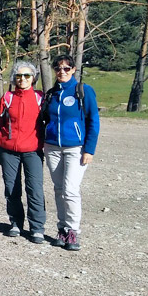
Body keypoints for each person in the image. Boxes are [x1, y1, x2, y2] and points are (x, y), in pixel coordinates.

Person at [42, 54, 99, 251]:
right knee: (59, 190)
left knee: (70, 190)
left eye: (66, 68)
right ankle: (62, 229)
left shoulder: (82, 91)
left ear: (73, 69)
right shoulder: (51, 94)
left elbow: (94, 121)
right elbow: (45, 120)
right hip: (52, 147)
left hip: (75, 148)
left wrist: (89, 149)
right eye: (58, 68)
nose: (62, 72)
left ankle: (73, 230)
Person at [0, 60, 47, 243]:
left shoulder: (40, 98)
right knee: (12, 189)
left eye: (26, 76)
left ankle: (37, 227)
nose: (22, 79)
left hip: (32, 150)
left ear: (33, 78)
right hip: (8, 151)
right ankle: (16, 223)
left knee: (35, 189)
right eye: (19, 76)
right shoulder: (7, 98)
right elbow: (0, 125)